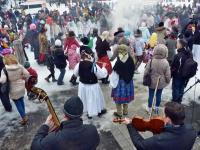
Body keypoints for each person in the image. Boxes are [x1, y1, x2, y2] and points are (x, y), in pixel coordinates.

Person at [31, 96, 100, 150]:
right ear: (81, 114)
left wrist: (45, 126)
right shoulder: (92, 130)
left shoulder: (54, 138)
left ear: (64, 114)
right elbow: (96, 143)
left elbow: (34, 147)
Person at [123, 102, 197, 150]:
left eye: (164, 114)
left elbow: (140, 144)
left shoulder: (159, 140)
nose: (162, 116)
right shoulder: (192, 131)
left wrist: (129, 125)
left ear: (168, 119)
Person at [74, 48, 107, 119]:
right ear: (90, 55)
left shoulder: (79, 64)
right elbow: (102, 75)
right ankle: (94, 112)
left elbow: (75, 74)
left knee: (85, 99)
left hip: (83, 85)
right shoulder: (94, 65)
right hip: (92, 86)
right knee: (92, 99)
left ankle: (88, 112)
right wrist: (104, 67)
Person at [0, 55, 29, 125]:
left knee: (17, 103)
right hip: (21, 86)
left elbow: (3, 80)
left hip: (13, 89)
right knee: (21, 100)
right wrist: (23, 78)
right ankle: (24, 115)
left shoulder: (4, 69)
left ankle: (24, 117)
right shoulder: (20, 66)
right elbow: (27, 74)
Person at [144, 44, 171, 114]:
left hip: (151, 81)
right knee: (159, 95)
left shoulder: (151, 61)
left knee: (151, 95)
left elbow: (146, 71)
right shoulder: (166, 62)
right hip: (161, 82)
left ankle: (149, 108)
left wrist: (145, 77)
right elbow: (168, 74)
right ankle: (156, 108)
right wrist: (168, 81)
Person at [111, 44, 135, 119]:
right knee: (126, 97)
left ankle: (119, 113)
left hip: (120, 82)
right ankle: (125, 111)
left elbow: (115, 69)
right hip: (128, 81)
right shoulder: (130, 59)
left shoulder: (119, 60)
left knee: (119, 98)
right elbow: (133, 69)